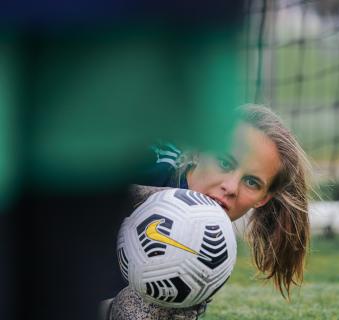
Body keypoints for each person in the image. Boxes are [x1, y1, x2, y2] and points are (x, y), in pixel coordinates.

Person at [105, 104, 312, 320]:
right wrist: (124, 196)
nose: (231, 187)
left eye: (252, 182)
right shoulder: (146, 161)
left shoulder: (210, 247)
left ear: (263, 199)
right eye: (224, 162)